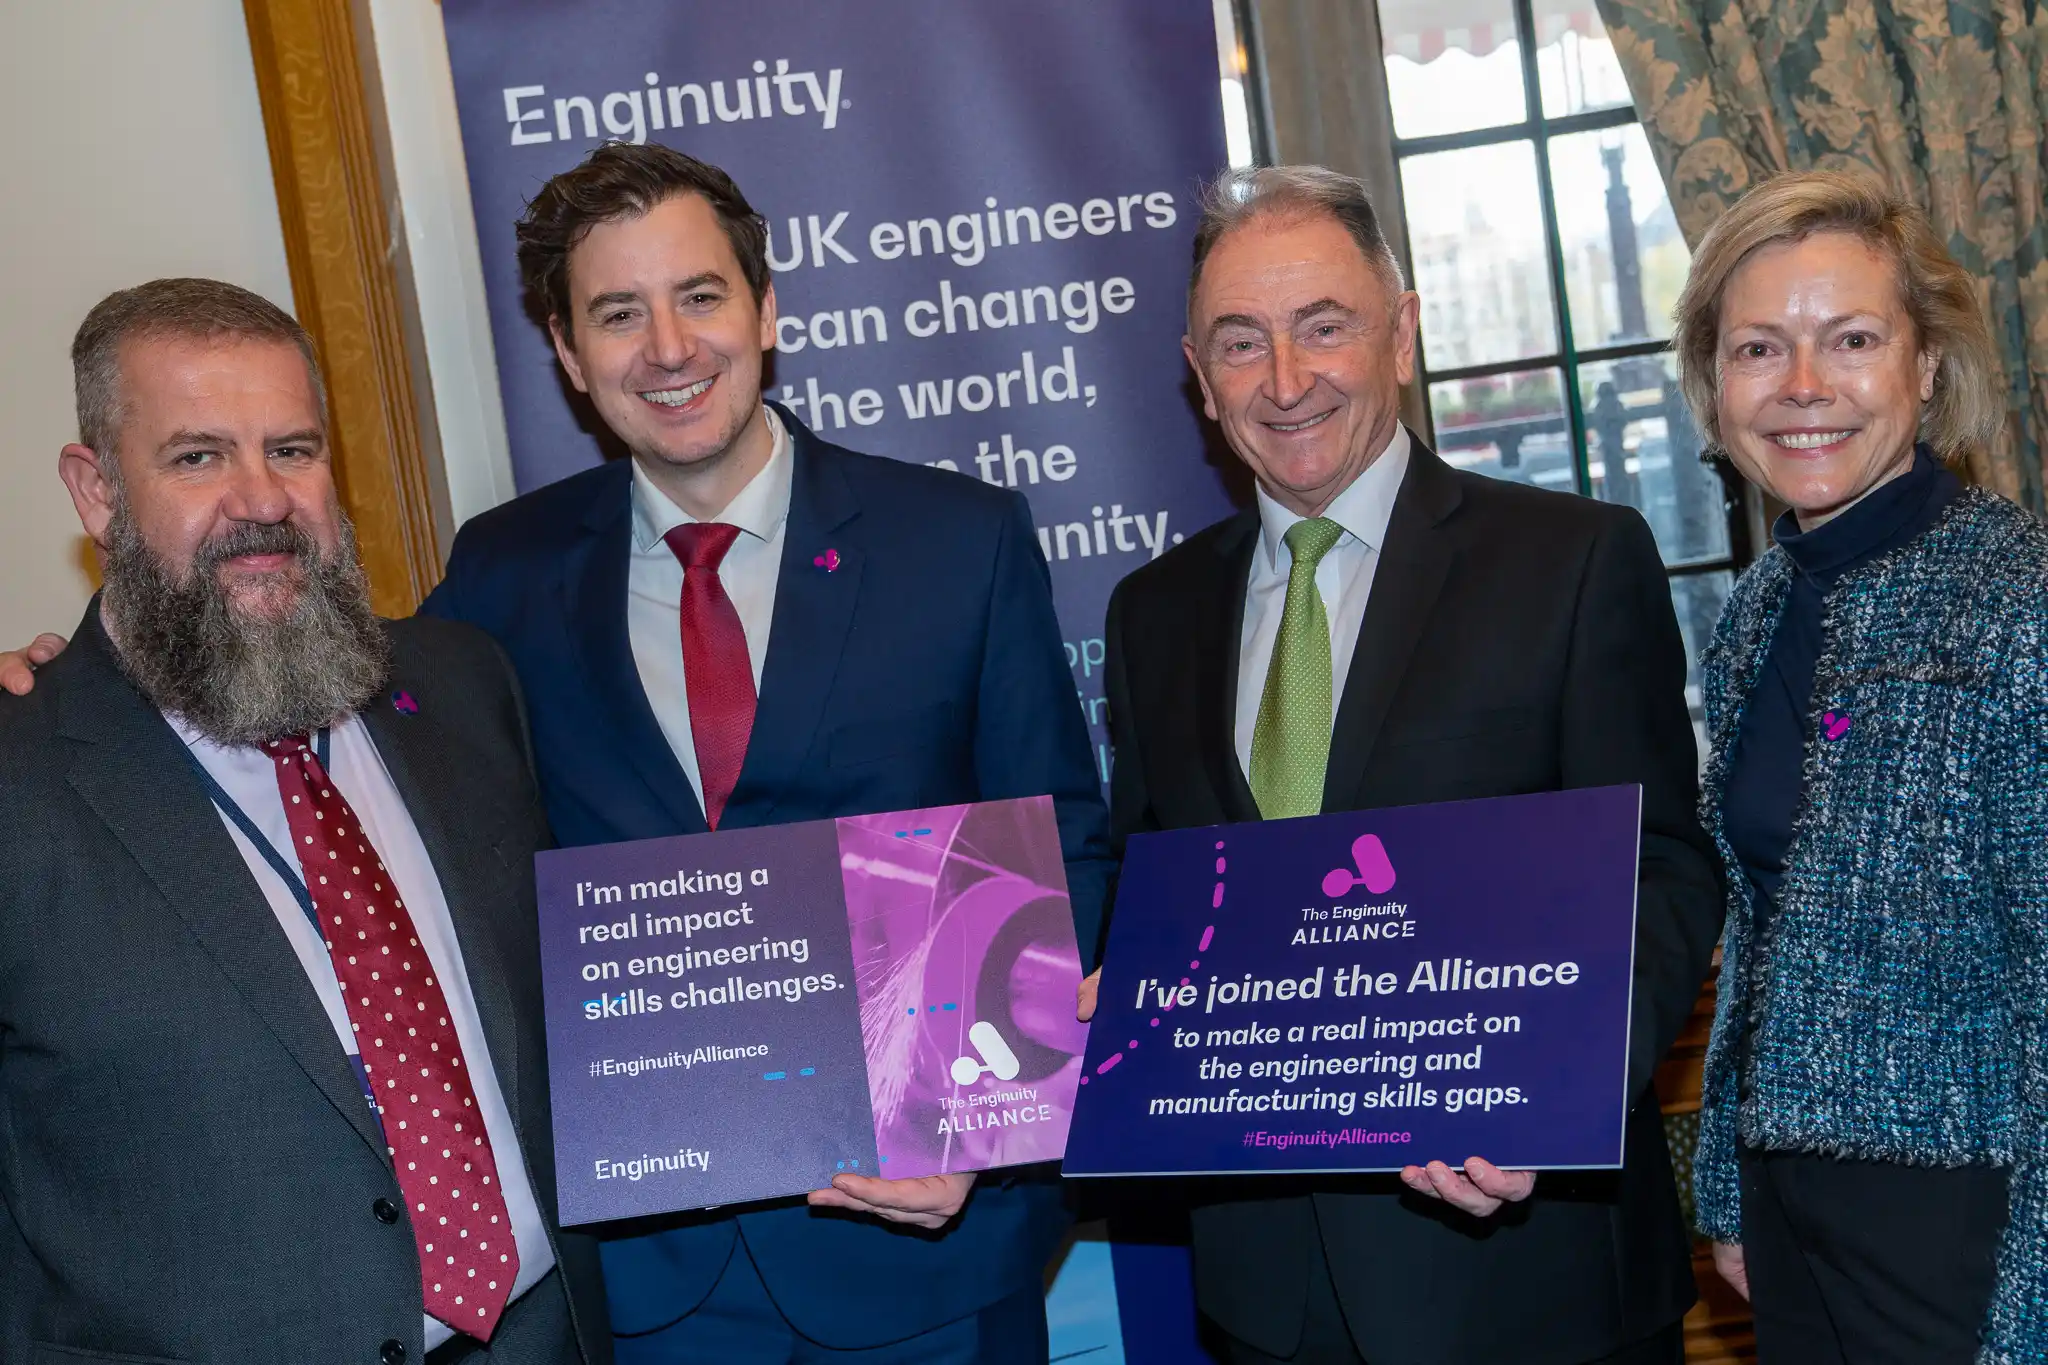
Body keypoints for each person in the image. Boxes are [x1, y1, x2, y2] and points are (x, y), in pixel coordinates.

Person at [1086, 166, 1725, 1365]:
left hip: (1524, 1275)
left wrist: (1549, 1092)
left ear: (1401, 333)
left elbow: (1663, 872)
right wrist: (1119, 995)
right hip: (1265, 1293)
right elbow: (1155, 886)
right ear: (1197, 374)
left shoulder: (1570, 561)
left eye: (1323, 325)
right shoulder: (1150, 614)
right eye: (1240, 342)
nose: (1285, 379)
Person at [0, 279, 610, 1362]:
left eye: (292, 449)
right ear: (97, 492)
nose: (263, 500)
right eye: (198, 457)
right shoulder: (22, 779)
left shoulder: (462, 685)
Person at [1674, 170, 2043, 1364]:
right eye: (1756, 348)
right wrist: (1732, 1186)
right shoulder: (1756, 611)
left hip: (1972, 1226)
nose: (1801, 386)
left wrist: (2029, 1307)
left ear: (1925, 366)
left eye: (1849, 340)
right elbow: (1760, 926)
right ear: (1713, 382)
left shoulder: (2017, 602)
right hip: (1791, 1217)